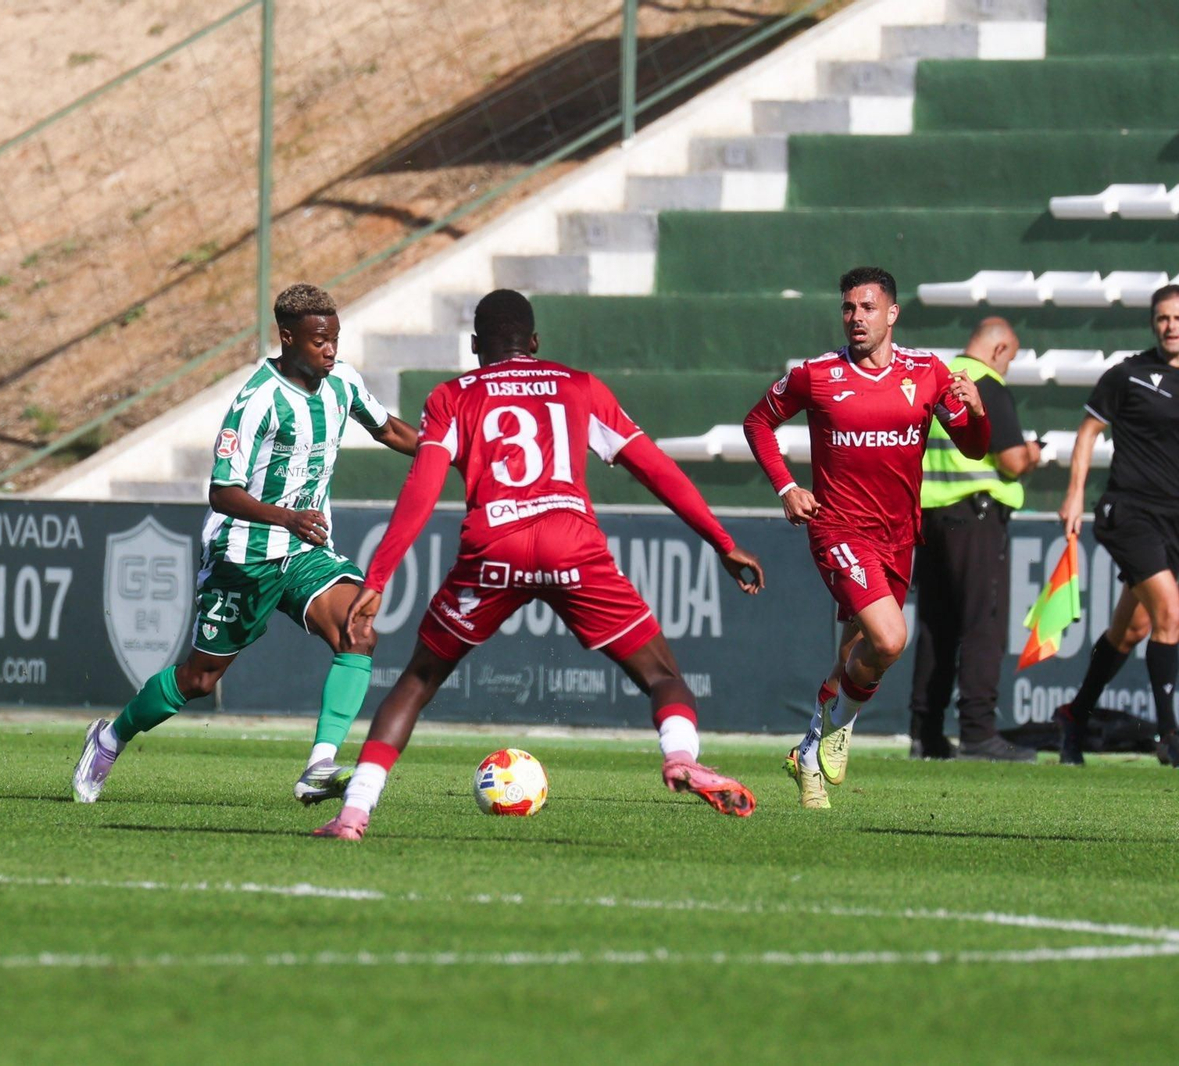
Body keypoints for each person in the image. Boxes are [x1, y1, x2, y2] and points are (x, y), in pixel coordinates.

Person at [310, 289, 766, 842]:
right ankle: (678, 758)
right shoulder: (579, 387)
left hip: (492, 548)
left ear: (475, 345)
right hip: (571, 543)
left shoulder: (452, 396)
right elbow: (654, 468)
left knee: (417, 681)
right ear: (535, 343)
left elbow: (421, 490)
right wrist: (721, 540)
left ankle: (354, 814)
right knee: (664, 677)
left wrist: (378, 577)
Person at [72, 283, 418, 804]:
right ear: (287, 337)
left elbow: (389, 429)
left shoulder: (342, 382)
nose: (331, 350)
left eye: (335, 339)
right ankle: (111, 737)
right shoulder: (257, 401)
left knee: (358, 630)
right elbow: (221, 492)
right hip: (243, 554)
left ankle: (319, 766)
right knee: (200, 678)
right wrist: (286, 517)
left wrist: (453, 455)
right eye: (319, 341)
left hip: (303, 552)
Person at [742, 266, 991, 810]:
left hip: (899, 535)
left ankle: (810, 751)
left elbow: (974, 448)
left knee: (859, 654)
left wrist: (976, 412)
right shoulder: (817, 374)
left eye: (867, 308)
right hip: (838, 530)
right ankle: (842, 727)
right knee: (891, 639)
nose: (856, 318)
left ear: (892, 314)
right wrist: (786, 485)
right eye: (849, 308)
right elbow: (757, 422)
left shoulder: (927, 372)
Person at [1054, 284, 1179, 767]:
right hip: (1129, 512)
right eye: (1163, 318)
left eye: (1177, 318)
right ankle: (1170, 736)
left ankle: (1075, 716)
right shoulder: (1128, 374)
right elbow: (1088, 434)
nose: (1171, 326)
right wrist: (1075, 492)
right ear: (1153, 322)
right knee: (1169, 611)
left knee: (1133, 630)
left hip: (1173, 521)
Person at [908, 317, 1040, 761]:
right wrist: (1035, 453)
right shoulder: (986, 384)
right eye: (1011, 360)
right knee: (982, 624)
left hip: (930, 516)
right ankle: (979, 732)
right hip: (976, 516)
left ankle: (924, 734)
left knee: (934, 626)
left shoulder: (940, 379)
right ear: (1000, 350)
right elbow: (1012, 461)